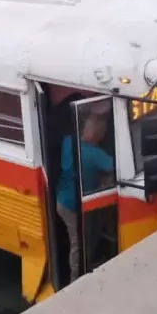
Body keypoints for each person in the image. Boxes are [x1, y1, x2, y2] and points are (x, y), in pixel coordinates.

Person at [56, 105, 114, 283]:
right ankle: (77, 280)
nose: (102, 131)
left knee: (90, 232)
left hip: (62, 201)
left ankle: (90, 262)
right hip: (74, 206)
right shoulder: (94, 154)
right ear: (87, 130)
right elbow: (118, 168)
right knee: (80, 244)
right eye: (98, 127)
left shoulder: (68, 141)